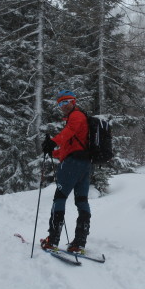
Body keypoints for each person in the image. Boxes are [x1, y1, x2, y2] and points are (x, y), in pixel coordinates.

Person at [40, 90, 92, 253]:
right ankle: (79, 242)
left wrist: (53, 142)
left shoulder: (76, 116)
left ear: (73, 101)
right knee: (82, 201)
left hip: (72, 165)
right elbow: (71, 145)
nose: (63, 106)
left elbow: (69, 132)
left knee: (59, 198)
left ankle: (52, 240)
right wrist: (54, 152)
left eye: (66, 102)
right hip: (84, 164)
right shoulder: (79, 117)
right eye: (60, 104)